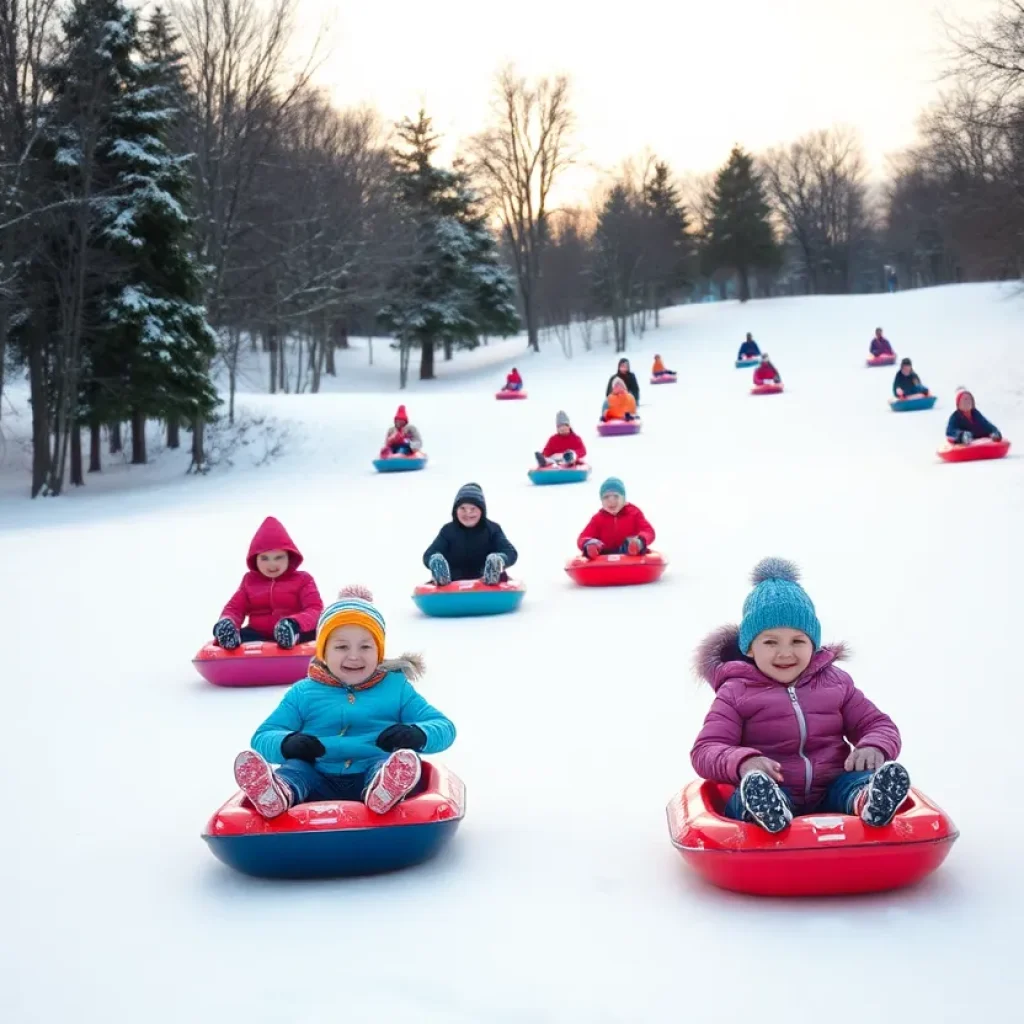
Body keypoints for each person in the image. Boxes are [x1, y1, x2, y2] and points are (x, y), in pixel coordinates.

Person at [691, 558, 911, 834]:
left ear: (813, 644)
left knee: (853, 784)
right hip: (775, 787)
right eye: (770, 642)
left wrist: (874, 746)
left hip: (833, 788)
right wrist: (743, 761)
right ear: (749, 649)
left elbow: (878, 724)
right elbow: (706, 749)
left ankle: (870, 800)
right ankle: (763, 808)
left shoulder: (836, 683)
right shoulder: (735, 692)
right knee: (750, 794)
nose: (785, 653)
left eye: (798, 641)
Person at [231, 586, 456, 818]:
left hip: (374, 768)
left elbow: (444, 726)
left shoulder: (395, 688)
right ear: (323, 652)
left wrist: (416, 734)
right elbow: (263, 736)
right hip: (316, 776)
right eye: (341, 647)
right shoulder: (304, 692)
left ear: (379, 652)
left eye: (366, 647)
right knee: (296, 770)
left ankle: (386, 789)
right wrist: (287, 743)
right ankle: (277, 794)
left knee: (386, 764)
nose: (354, 656)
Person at [213, 517, 324, 650]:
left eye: (279, 557)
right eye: (264, 558)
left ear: (289, 556)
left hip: (296, 632)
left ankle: (289, 636)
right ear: (255, 559)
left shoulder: (303, 579)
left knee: (312, 634)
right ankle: (229, 641)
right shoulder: (250, 581)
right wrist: (228, 621)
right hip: (259, 634)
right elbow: (235, 608)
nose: (272, 565)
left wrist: (294, 623)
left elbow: (315, 609)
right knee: (240, 636)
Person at [423, 482, 518, 586]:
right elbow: (428, 554)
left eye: (473, 509)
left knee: (494, 561)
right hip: (452, 579)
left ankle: (493, 568)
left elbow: (510, 552)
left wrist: (501, 559)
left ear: (482, 511)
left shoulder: (492, 529)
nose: (468, 513)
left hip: (487, 577)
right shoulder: (448, 531)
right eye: (462, 508)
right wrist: (434, 560)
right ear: (455, 511)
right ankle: (441, 576)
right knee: (436, 558)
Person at [577, 477, 655, 559]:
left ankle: (634, 545)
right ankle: (593, 549)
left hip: (630, 553)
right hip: (604, 555)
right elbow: (583, 537)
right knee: (595, 544)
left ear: (624, 499)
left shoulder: (634, 513)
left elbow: (648, 531)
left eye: (616, 496)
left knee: (632, 542)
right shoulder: (598, 519)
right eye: (606, 497)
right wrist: (588, 543)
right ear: (601, 501)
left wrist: (640, 540)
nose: (611, 500)